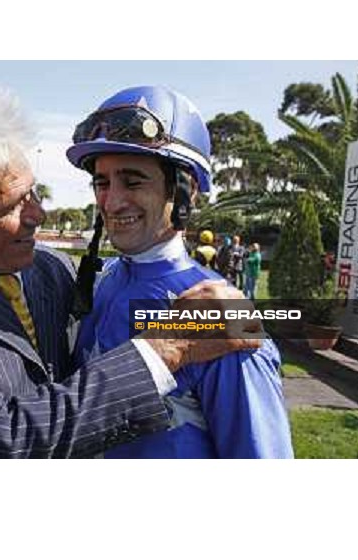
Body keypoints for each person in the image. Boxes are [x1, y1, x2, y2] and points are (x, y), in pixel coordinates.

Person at [0, 83, 259, 459]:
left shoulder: (53, 269)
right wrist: (168, 347)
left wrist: (267, 316)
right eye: (11, 205)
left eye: (33, 193)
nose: (38, 215)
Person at [67, 84, 293, 458]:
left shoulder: (225, 316)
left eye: (133, 180)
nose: (111, 200)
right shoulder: (101, 280)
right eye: (101, 182)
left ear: (186, 193)